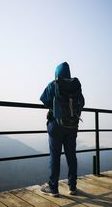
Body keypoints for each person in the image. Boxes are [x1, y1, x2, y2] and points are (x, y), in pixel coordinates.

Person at [40, 62, 85, 197]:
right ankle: (72, 187)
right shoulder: (76, 86)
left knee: (55, 157)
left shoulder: (54, 84)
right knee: (71, 156)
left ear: (57, 73)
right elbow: (82, 103)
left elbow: (44, 100)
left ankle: (53, 188)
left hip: (56, 125)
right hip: (72, 126)